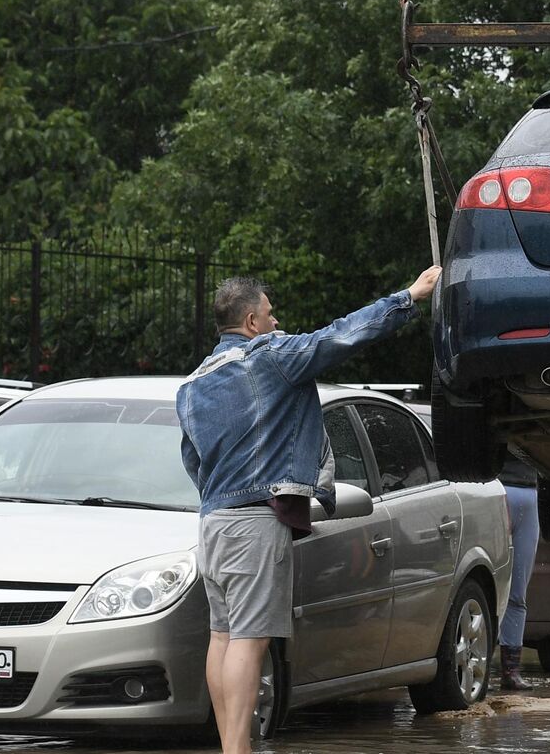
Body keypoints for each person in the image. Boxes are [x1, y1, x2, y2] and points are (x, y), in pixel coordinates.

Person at [177, 267, 439, 754]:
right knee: (251, 639)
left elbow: (192, 460)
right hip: (256, 523)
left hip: (212, 523)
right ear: (252, 320)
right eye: (271, 315)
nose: (278, 324)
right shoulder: (270, 358)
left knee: (222, 636)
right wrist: (409, 296)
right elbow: (340, 336)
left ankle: (230, 744)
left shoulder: (192, 385)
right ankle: (237, 750)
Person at [497, 452, 540, 690]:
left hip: (529, 493)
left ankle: (511, 670)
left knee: (518, 591)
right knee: (485, 584)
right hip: (495, 491)